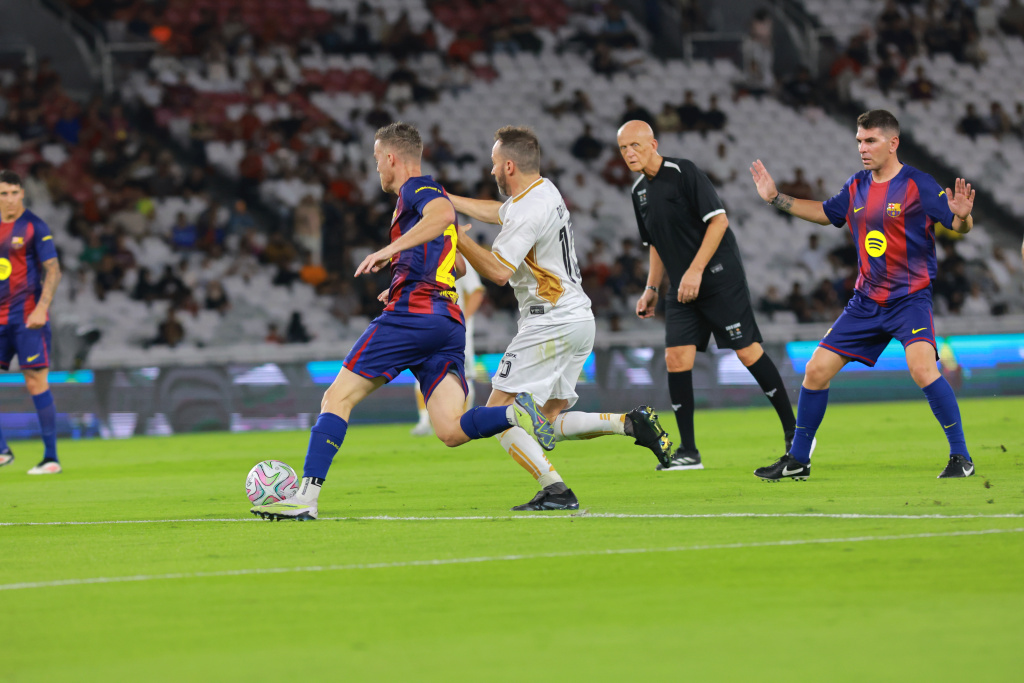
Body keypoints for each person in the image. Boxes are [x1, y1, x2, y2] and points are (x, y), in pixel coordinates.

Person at [251, 123, 555, 521]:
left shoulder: (417, 189)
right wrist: (404, 279)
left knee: (336, 398)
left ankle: (304, 499)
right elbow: (458, 266)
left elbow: (444, 211)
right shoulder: (418, 202)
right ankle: (518, 411)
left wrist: (390, 252)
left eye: (377, 159)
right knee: (449, 429)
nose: (376, 167)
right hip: (446, 321)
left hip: (413, 316)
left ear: (391, 158)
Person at [448, 125, 673, 510]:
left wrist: (456, 234)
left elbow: (499, 273)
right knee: (546, 422)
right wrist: (448, 200)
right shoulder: (544, 190)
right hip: (578, 320)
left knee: (497, 414)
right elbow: (501, 212)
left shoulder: (528, 210)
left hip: (548, 322)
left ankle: (554, 488)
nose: (490, 173)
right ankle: (630, 424)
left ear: (508, 166)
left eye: (493, 165)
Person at [750, 109, 977, 480]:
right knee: (816, 370)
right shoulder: (857, 185)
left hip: (909, 300)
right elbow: (826, 213)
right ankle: (798, 460)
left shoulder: (918, 184)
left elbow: (958, 225)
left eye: (870, 140)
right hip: (865, 302)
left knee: (922, 369)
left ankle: (961, 458)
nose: (862, 148)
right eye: (859, 140)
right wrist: (776, 198)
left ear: (893, 143)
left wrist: (964, 217)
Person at [616, 120, 797, 471]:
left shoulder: (683, 172)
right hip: (683, 287)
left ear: (653, 143)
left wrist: (696, 271)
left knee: (747, 352)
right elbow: (655, 242)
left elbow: (719, 222)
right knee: (676, 359)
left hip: (717, 279)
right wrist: (652, 289)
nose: (629, 154)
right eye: (623, 149)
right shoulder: (638, 191)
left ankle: (795, 434)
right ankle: (689, 452)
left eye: (635, 145)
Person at [0, 170, 64, 474]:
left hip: (27, 319)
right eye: (4, 194)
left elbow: (53, 270)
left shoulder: (35, 227)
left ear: (22, 193)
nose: (10, 199)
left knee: (35, 382)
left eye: (14, 192)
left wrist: (42, 308)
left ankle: (51, 458)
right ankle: (2, 451)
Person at [411, 254, 485, 436]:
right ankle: (424, 422)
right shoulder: (423, 258)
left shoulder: (459, 259)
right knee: (421, 370)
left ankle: (463, 421)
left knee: (464, 375)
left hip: (455, 330)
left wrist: (463, 319)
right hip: (430, 326)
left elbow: (477, 291)